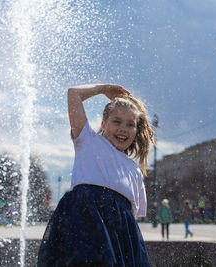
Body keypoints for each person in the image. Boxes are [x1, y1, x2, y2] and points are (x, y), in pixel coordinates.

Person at [37, 84, 154, 267]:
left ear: (136, 131)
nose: (123, 128)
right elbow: (73, 94)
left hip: (116, 237)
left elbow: (131, 221)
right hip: (83, 222)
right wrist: (103, 89)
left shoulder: (135, 171)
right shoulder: (88, 141)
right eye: (117, 121)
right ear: (103, 124)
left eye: (130, 124)